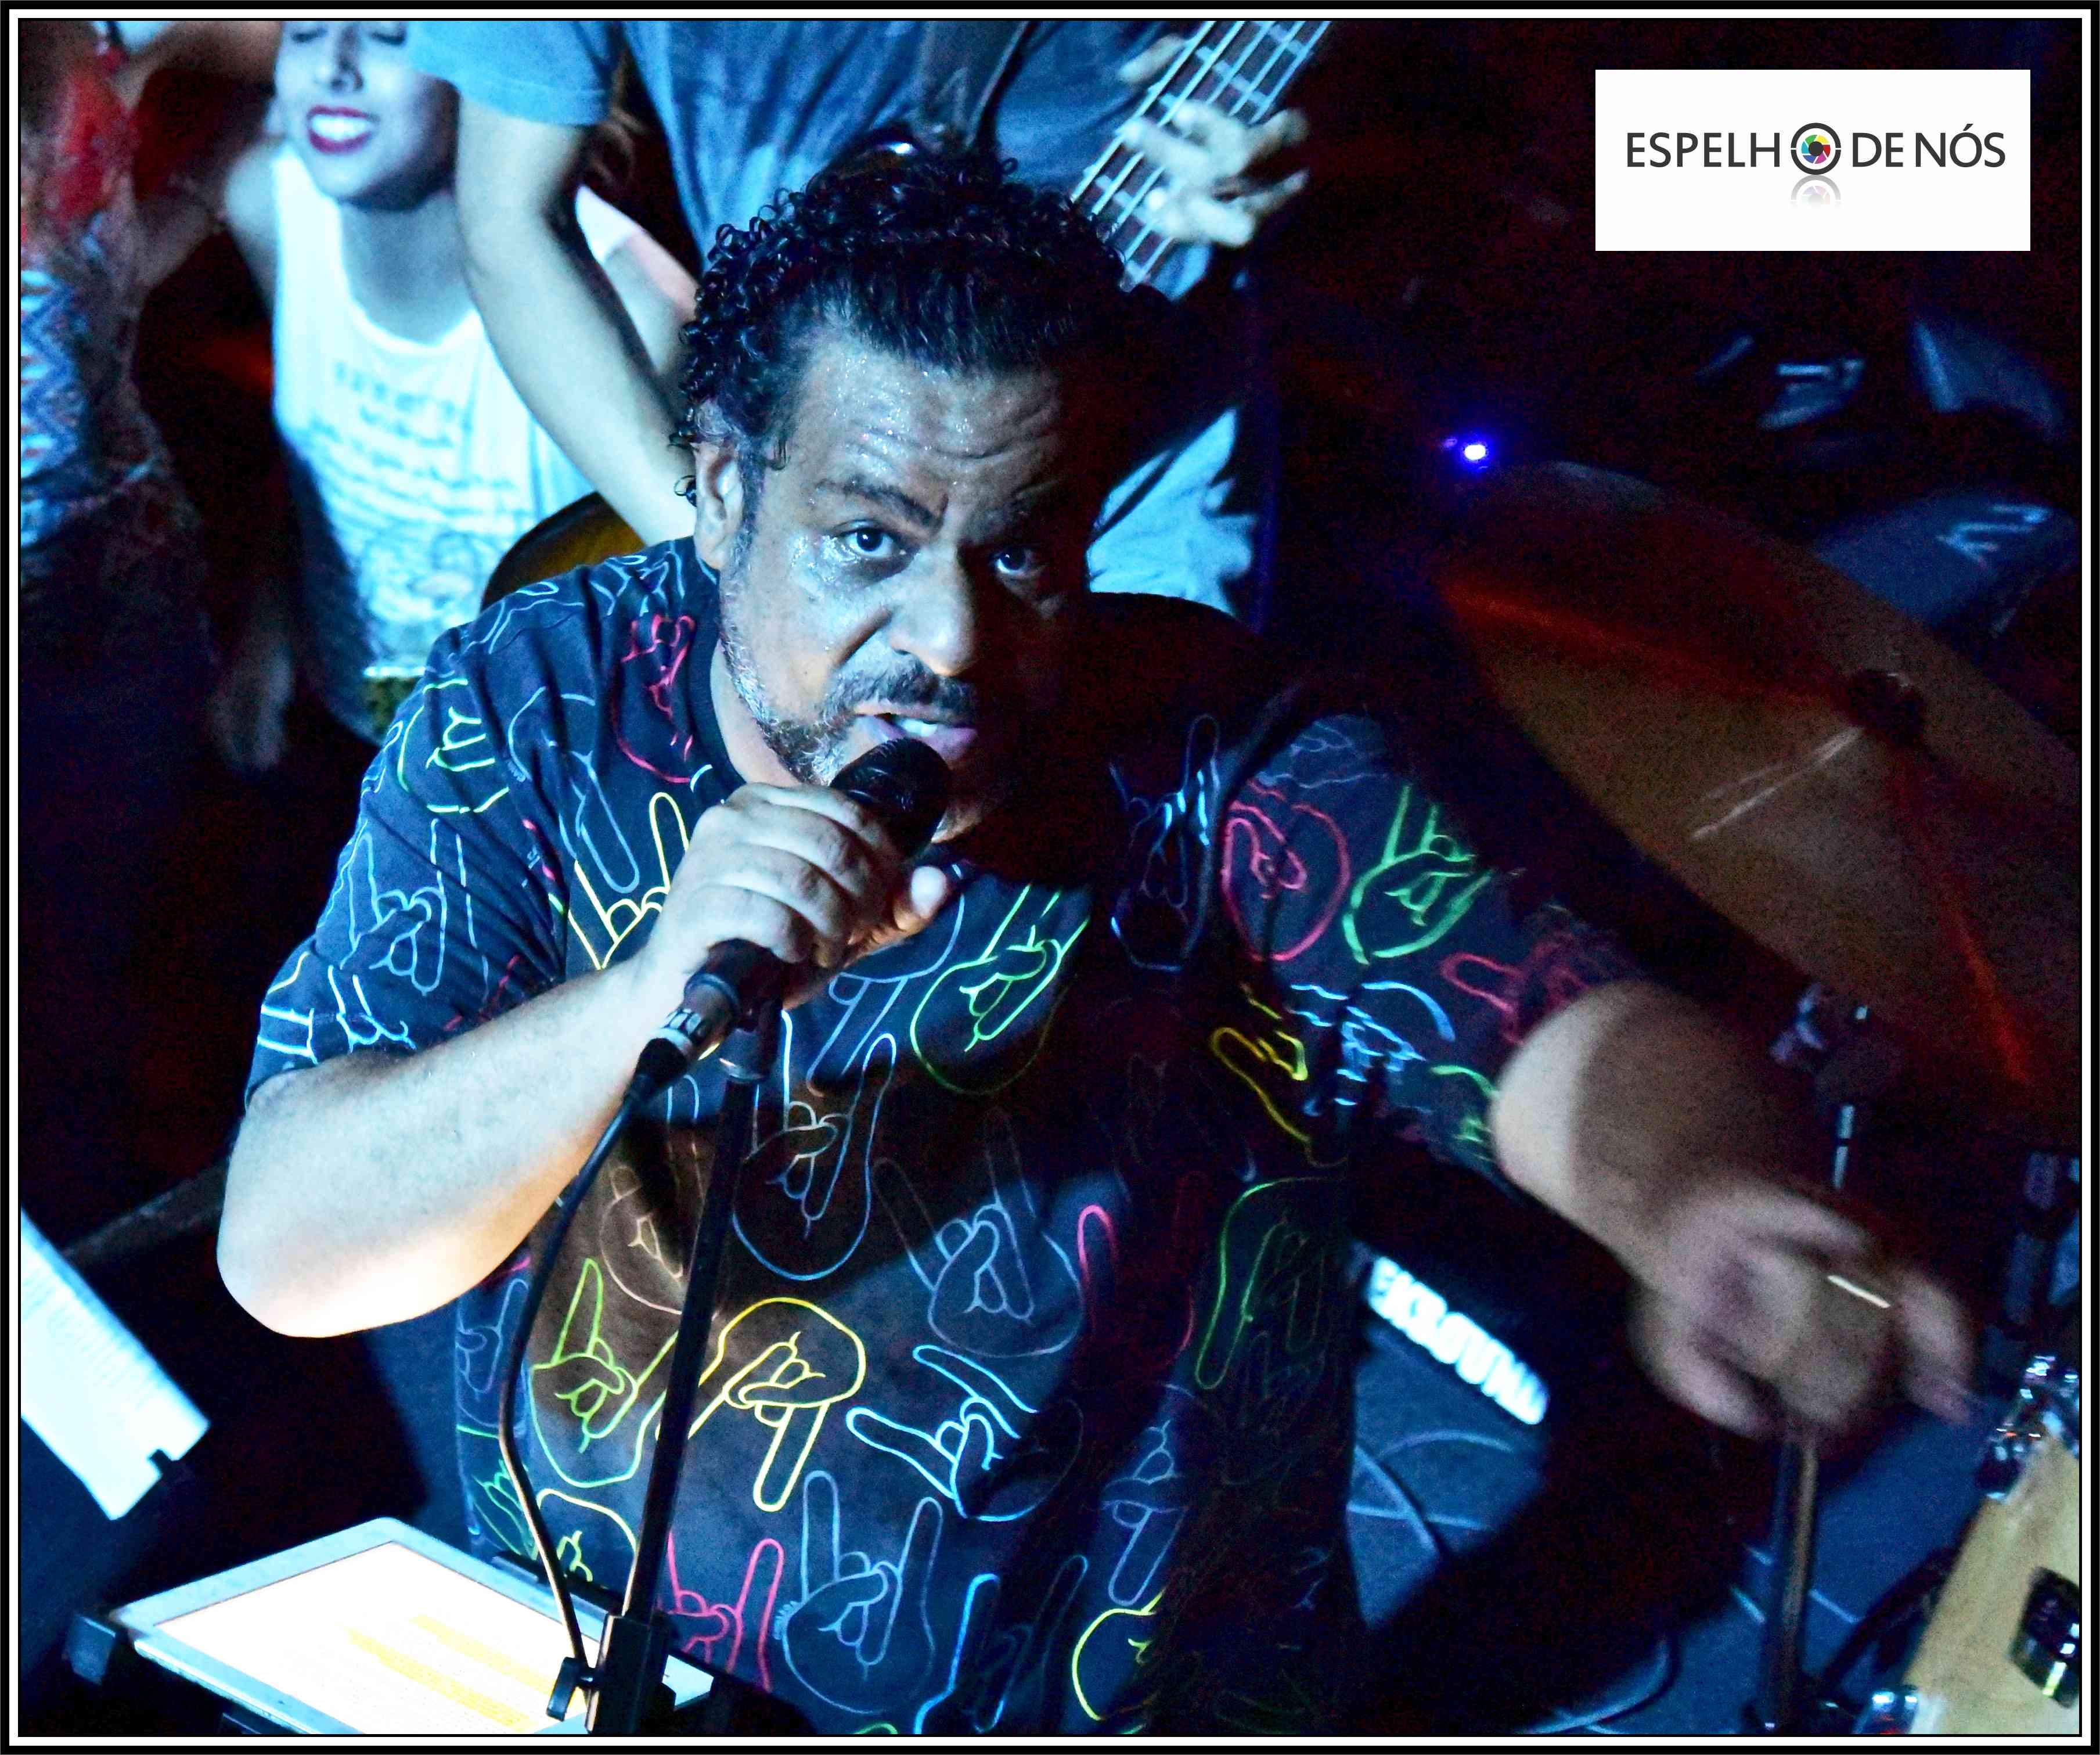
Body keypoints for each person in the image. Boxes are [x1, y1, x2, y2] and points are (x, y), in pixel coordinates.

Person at [219, 154, 1973, 1735]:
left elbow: (1553, 1029)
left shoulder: (1215, 749)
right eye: (868, 541)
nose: (951, 638)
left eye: (1023, 551)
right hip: (622, 1659)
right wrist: (635, 1001)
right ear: (723, 489)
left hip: (1128, 1689)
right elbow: (290, 1243)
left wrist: (1698, 1199)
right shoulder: (539, 702)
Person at [404, 19, 1311, 627]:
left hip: (1126, 463)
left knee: (1114, 827)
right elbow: (508, 220)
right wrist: (715, 551)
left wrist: (1286, 142)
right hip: (801, 467)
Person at [206, 17, 694, 772]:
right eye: (304, 31)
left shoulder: (639, 310)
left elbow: (691, 591)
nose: (334, 67)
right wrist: (266, 634)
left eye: (390, 35)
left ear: (490, 71)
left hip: (535, 771)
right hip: (347, 717)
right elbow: (309, 460)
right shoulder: (270, 205)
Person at [17, 17, 276, 1242]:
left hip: (127, 594)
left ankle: (93, 1243)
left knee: (109, 946)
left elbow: (286, 47)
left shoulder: (86, 47)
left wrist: (191, 203)